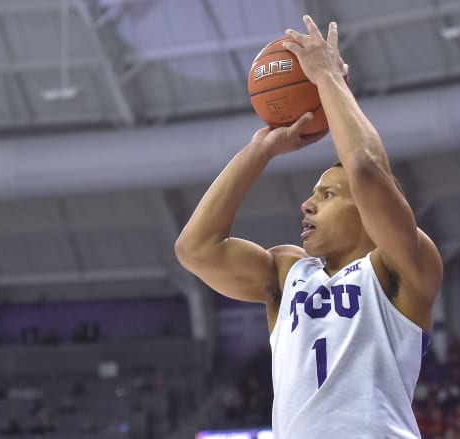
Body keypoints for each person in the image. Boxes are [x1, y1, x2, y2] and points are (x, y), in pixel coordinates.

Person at [175, 15, 443, 438]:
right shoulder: (287, 272)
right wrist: (259, 151)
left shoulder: (403, 267)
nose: (308, 204)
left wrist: (327, 80)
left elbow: (367, 169)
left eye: (328, 195)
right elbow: (196, 249)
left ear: (368, 213)